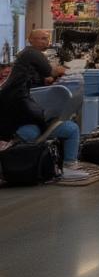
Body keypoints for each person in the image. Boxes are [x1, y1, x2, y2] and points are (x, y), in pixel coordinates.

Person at [0, 31, 86, 178]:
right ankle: (17, 167)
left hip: (39, 118)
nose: (46, 41)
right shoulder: (29, 57)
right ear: (30, 40)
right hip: (22, 123)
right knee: (30, 134)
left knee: (71, 129)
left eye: (47, 38)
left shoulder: (27, 70)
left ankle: (68, 165)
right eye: (42, 38)